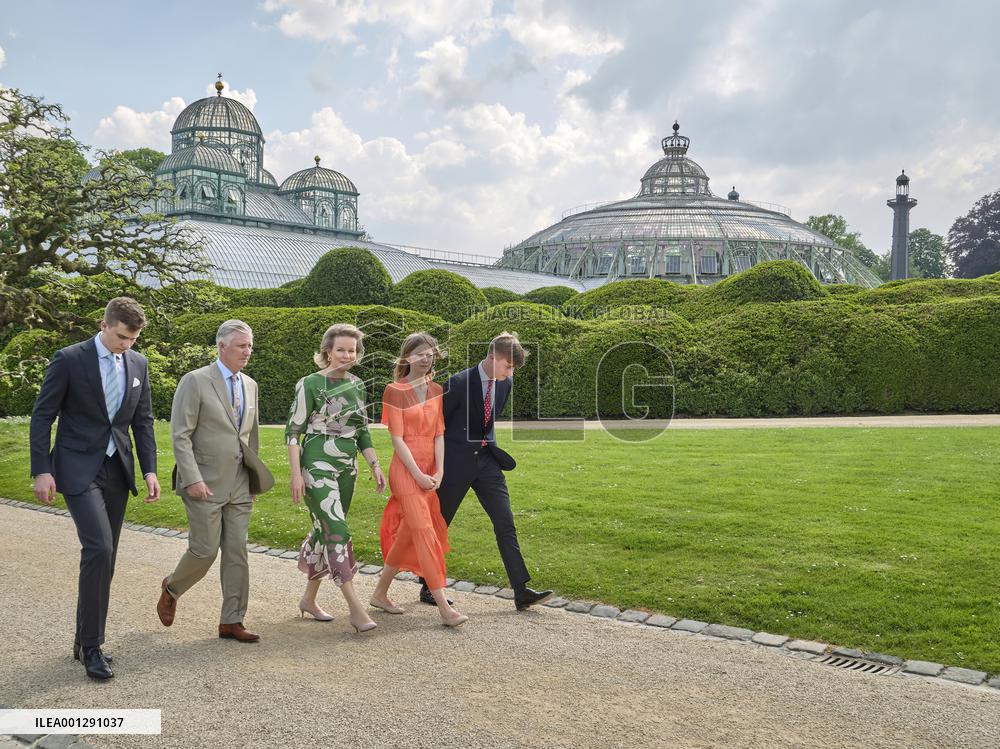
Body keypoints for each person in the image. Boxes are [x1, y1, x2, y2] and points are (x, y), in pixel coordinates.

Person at [30, 297, 161, 680]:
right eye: (122, 337)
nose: (127, 345)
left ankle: (82, 636)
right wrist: (42, 470)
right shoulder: (69, 358)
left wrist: (150, 470)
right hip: (76, 467)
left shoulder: (139, 364)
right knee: (99, 548)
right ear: (104, 325)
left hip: (117, 469)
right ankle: (92, 647)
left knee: (107, 558)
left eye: (133, 339)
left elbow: (143, 421)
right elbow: (43, 415)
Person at [156, 319, 274, 643]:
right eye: (241, 345)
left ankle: (232, 621)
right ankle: (172, 587)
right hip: (203, 482)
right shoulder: (195, 381)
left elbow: (252, 436)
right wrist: (192, 478)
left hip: (239, 482)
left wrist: (252, 481)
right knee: (204, 551)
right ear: (221, 346)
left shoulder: (250, 385)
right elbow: (180, 435)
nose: (247, 351)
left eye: (250, 345)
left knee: (237, 551)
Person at [418, 332, 552, 611]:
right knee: (441, 523)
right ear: (492, 357)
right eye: (508, 366)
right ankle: (428, 586)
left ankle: (521, 590)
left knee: (505, 522)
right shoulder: (458, 382)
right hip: (455, 462)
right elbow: (436, 426)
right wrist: (434, 465)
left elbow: (488, 422)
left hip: (488, 462)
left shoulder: (506, 383)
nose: (510, 372)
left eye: (513, 368)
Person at [286, 323, 386, 633]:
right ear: (327, 351)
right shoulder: (310, 384)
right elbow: (293, 433)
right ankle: (356, 610)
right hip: (316, 464)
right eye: (340, 349)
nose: (346, 355)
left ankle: (308, 599)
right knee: (338, 530)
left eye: (352, 350)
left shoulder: (357, 385)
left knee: (324, 530)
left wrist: (375, 465)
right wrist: (295, 475)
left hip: (348, 468)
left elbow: (362, 430)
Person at [370, 333, 468, 627]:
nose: (426, 359)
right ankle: (444, 608)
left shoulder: (436, 389)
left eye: (431, 354)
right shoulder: (394, 390)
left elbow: (439, 433)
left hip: (430, 468)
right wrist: (418, 474)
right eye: (421, 354)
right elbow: (397, 439)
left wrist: (438, 471)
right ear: (407, 357)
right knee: (425, 531)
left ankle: (379, 593)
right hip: (406, 470)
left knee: (409, 534)